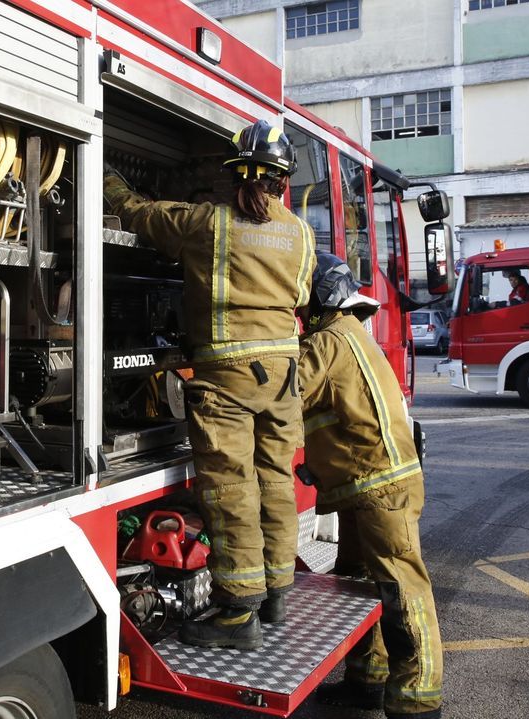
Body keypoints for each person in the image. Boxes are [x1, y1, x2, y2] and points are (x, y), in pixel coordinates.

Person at [104, 119, 316, 650]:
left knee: (231, 489)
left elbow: (139, 214)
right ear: (283, 182)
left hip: (227, 380)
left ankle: (237, 615)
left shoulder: (208, 224)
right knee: (275, 482)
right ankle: (276, 596)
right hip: (284, 376)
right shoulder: (302, 235)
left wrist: (106, 176)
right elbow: (304, 295)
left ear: (234, 177)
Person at [297, 253, 443, 719]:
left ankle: (418, 701)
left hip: (379, 488)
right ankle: (368, 680)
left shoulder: (329, 340)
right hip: (365, 486)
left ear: (321, 296)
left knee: (402, 590)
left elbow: (284, 395)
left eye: (301, 299)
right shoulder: (353, 334)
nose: (298, 309)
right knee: (364, 585)